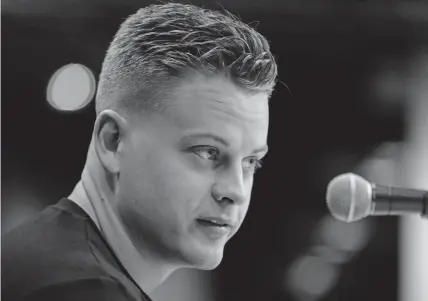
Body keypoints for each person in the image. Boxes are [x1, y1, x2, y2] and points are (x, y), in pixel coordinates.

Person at [2, 2, 278, 301]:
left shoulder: (46, 260)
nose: (235, 191)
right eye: (208, 152)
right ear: (113, 141)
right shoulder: (83, 291)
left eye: (251, 162)